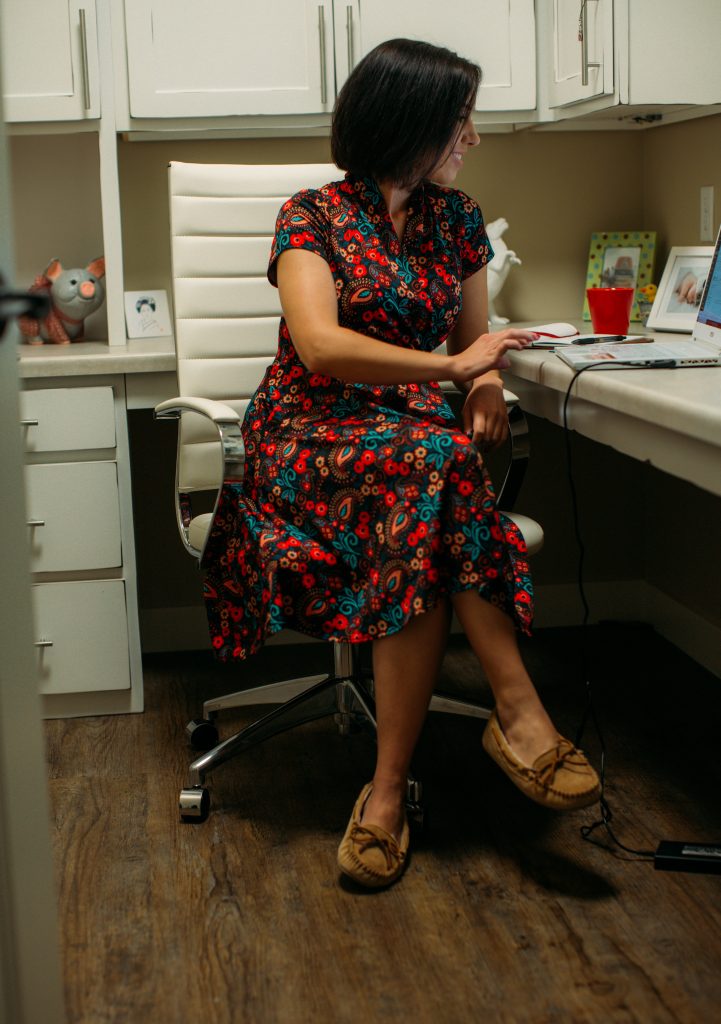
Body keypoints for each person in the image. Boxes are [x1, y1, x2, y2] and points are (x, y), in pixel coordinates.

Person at [202, 38, 601, 889]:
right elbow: (320, 346)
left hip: (412, 450)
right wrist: (458, 373)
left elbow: (472, 337)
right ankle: (520, 712)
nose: (474, 138)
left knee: (426, 486)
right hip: (307, 434)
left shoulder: (455, 218)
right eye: (462, 121)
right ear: (410, 122)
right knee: (439, 464)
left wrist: (485, 375)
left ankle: (385, 795)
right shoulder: (308, 214)